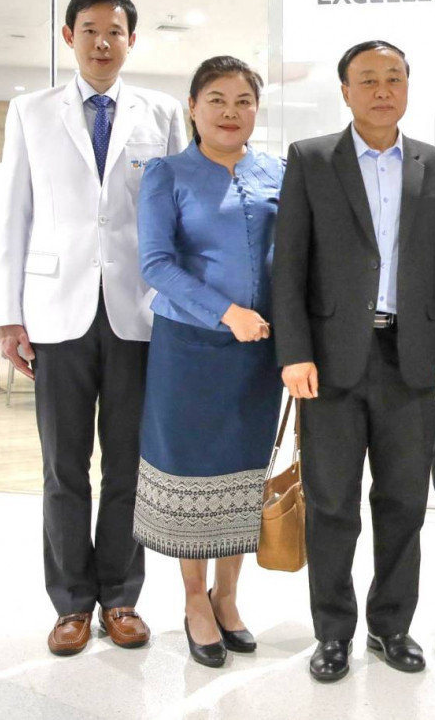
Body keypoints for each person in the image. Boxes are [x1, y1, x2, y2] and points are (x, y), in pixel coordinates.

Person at [0, 0, 186, 656]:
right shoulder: (30, 111)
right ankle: (72, 604)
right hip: (56, 311)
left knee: (130, 467)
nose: (103, 42)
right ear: (69, 36)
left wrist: (180, 311)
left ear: (132, 40)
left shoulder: (161, 112)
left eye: (116, 31)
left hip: (140, 311)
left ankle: (122, 597)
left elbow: (178, 215)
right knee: (63, 467)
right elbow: (14, 214)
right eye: (91, 29)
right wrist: (8, 316)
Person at [272, 40, 435, 683]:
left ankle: (391, 626)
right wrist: (294, 352)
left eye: (393, 78)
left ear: (407, 85)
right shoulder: (310, 159)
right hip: (330, 361)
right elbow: (289, 265)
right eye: (368, 80)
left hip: (411, 360)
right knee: (332, 503)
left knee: (403, 502)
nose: (382, 90)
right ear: (345, 91)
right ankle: (332, 633)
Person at [132, 56, 283, 667]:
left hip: (259, 351)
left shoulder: (277, 170)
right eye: (216, 99)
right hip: (190, 349)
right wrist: (226, 313)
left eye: (243, 101)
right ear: (192, 107)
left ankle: (228, 596)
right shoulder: (167, 173)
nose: (230, 112)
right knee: (191, 473)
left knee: (242, 475)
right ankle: (195, 600)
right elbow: (155, 263)